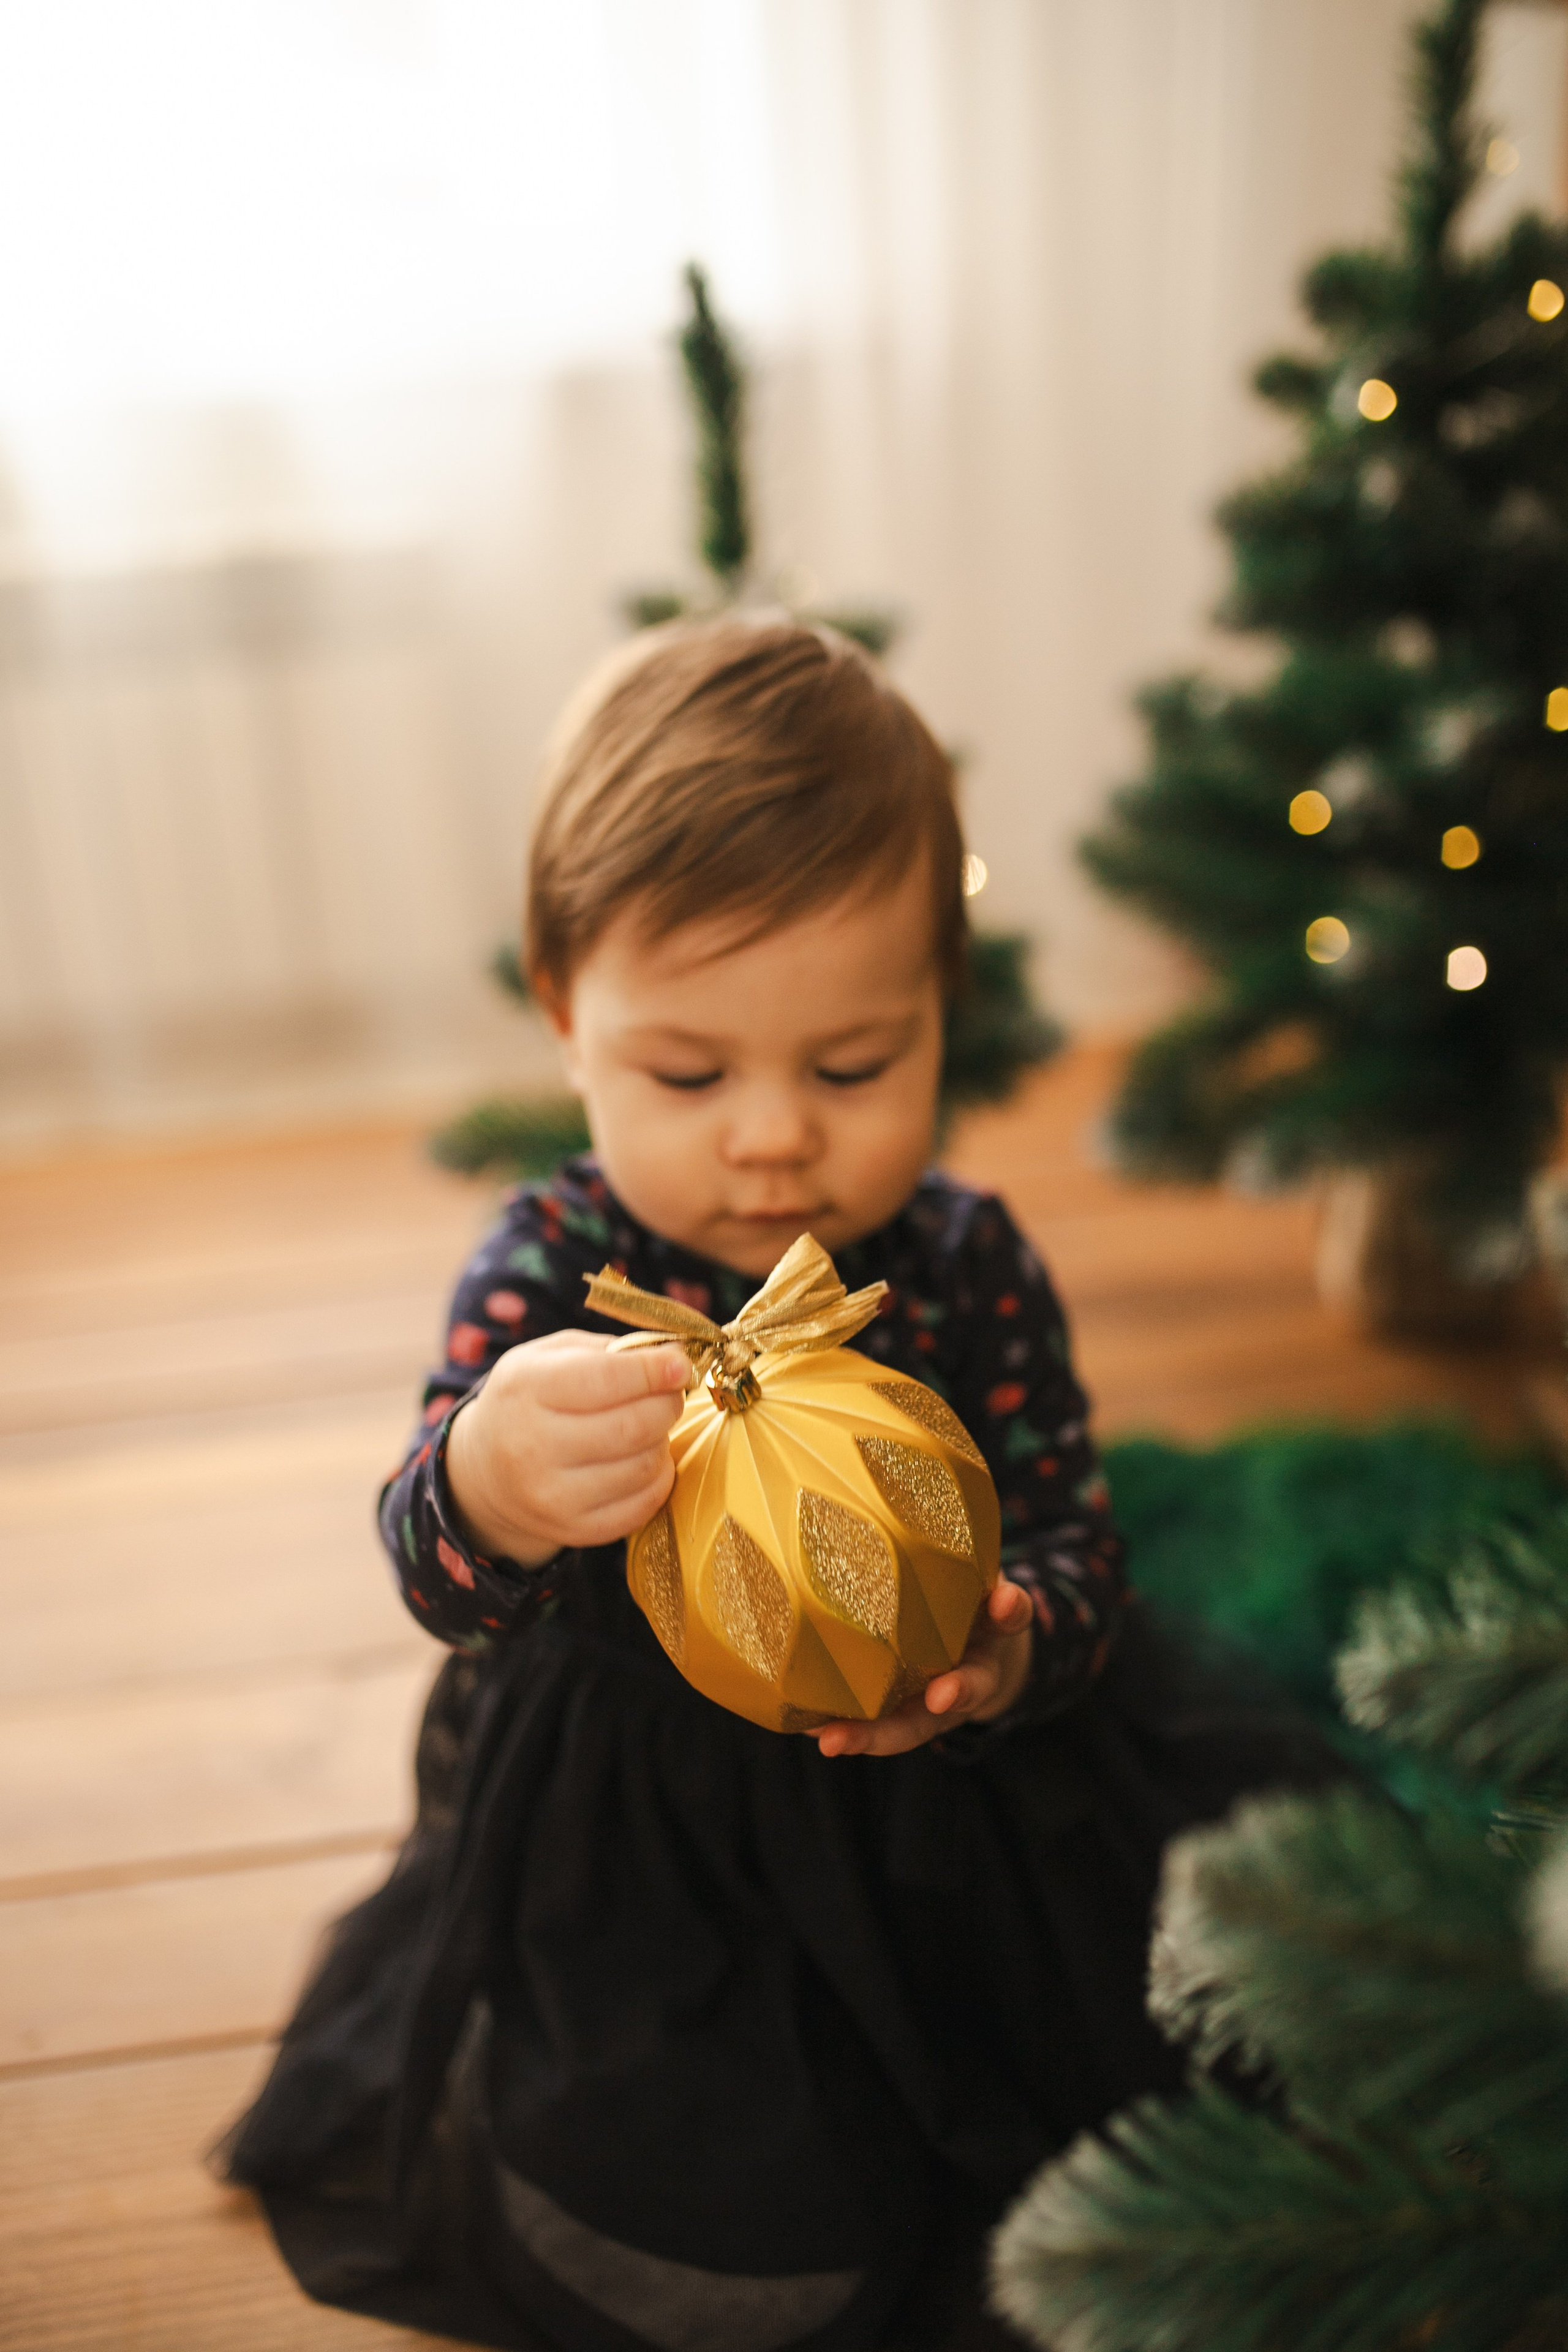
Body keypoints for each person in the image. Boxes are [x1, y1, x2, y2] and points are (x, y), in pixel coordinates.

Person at [219, 616, 1341, 2351]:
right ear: (562, 1016)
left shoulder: (958, 1264)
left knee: (1093, 2112)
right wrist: (497, 1478)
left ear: (939, 1020)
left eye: (852, 1066)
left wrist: (1013, 1642)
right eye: (688, 1073)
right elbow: (439, 1581)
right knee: (715, 2208)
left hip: (946, 1821)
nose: (772, 1137)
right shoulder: (550, 1262)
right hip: (636, 1840)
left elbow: (1069, 1532)